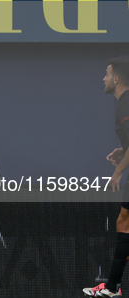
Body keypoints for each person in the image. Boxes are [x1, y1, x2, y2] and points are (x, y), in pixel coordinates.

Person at [83, 58, 129, 298]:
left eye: (107, 74)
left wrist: (118, 171)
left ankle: (112, 287)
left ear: (116, 79)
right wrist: (124, 149)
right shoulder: (123, 103)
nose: (104, 78)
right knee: (124, 222)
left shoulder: (125, 103)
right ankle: (112, 287)